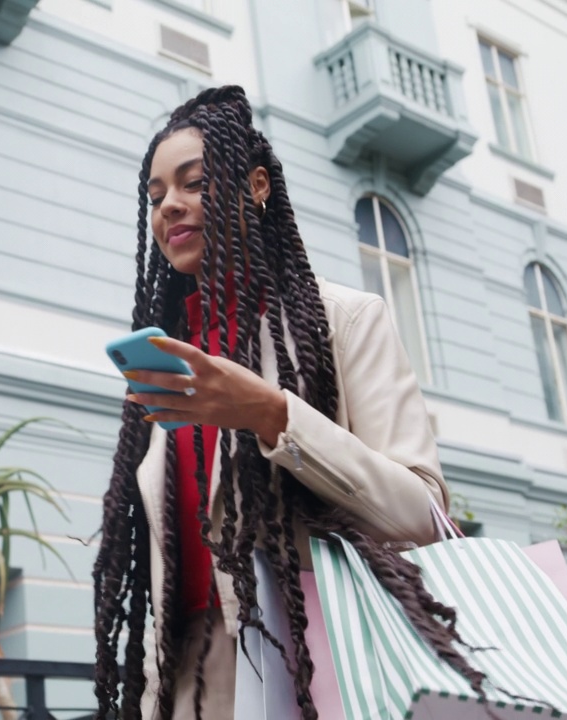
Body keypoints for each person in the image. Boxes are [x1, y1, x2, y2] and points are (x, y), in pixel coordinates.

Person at [91, 86, 489, 720]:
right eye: (156, 194)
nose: (170, 205)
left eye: (193, 182)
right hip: (193, 677)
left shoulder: (344, 321)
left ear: (255, 187)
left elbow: (422, 510)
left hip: (315, 665)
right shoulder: (170, 360)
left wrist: (275, 416)